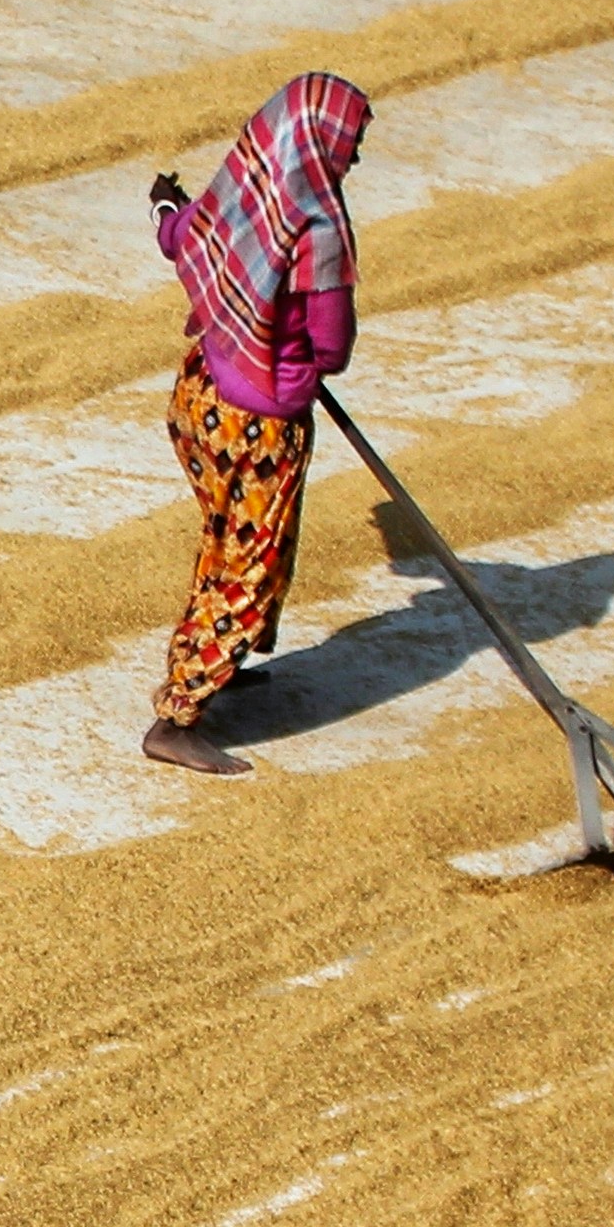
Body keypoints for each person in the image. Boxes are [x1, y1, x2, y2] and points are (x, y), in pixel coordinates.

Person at [141, 72, 371, 778]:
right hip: (259, 430)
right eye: (349, 142)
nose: (355, 157)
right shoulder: (319, 229)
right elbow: (332, 348)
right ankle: (178, 718)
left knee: (226, 537)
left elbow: (180, 237)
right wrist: (295, 345)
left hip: (200, 401)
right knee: (250, 569)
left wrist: (163, 205)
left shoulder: (243, 187)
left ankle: (220, 663)